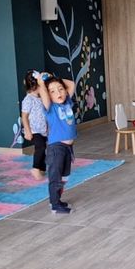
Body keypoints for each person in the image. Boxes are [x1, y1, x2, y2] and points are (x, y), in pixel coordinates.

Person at [35, 72, 77, 214]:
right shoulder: (50, 107)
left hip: (67, 147)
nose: (58, 93)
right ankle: (55, 205)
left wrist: (53, 77)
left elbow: (71, 84)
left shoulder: (67, 103)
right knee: (56, 177)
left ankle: (56, 199)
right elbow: (43, 92)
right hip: (56, 148)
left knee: (64, 176)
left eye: (60, 89)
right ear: (48, 95)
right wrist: (42, 83)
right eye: (52, 91)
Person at [21, 70, 48, 180]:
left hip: (42, 129)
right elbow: (24, 116)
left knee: (42, 147)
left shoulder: (40, 98)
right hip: (33, 130)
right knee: (40, 147)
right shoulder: (28, 99)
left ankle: (42, 168)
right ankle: (35, 168)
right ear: (34, 86)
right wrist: (27, 131)